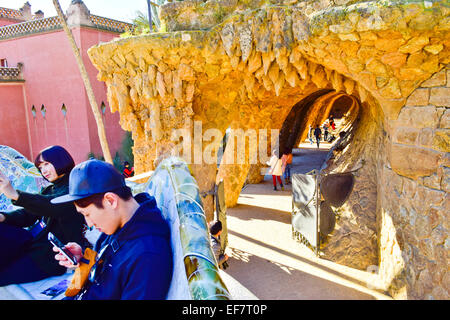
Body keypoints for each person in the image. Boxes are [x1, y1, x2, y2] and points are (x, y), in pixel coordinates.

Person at [51, 159, 173, 300]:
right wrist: (83, 259)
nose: (89, 224)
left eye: (87, 214)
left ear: (110, 200)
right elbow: (102, 272)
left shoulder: (147, 256)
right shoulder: (121, 224)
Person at [0, 145, 88, 286]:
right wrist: (4, 217)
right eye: (40, 167)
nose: (44, 170)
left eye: (47, 164)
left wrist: (16, 195)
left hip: (50, 257)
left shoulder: (75, 186)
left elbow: (52, 205)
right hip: (33, 243)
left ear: (60, 160)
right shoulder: (50, 188)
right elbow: (29, 214)